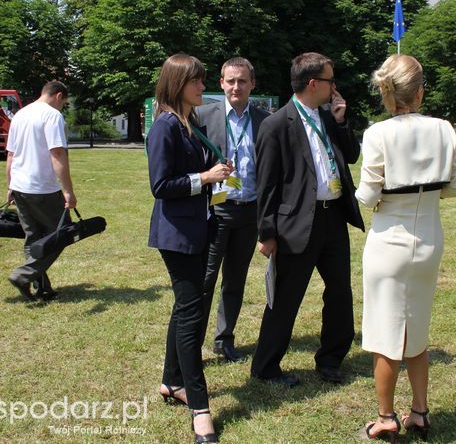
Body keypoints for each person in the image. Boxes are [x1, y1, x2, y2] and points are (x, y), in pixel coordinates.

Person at [356, 55, 456, 441]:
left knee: (385, 334)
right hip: (429, 238)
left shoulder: (377, 134)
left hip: (389, 239)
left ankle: (386, 416)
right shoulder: (443, 129)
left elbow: (368, 197)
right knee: (416, 330)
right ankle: (419, 411)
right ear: (419, 90)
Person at [250, 52, 364, 387]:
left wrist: (342, 122)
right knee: (285, 298)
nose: (335, 87)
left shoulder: (329, 116)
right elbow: (266, 185)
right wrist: (267, 233)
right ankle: (266, 366)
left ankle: (330, 361)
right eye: (330, 80)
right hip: (296, 225)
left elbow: (353, 155)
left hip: (333, 219)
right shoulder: (275, 125)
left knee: (340, 293)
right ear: (313, 83)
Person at [148, 54, 233, 444]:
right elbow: (161, 186)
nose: (203, 87)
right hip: (177, 236)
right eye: (197, 82)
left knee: (186, 307)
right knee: (191, 314)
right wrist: (205, 177)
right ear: (178, 84)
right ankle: (200, 408)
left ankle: (171, 382)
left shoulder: (190, 122)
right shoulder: (165, 126)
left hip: (199, 227)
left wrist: (216, 176)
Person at [197, 57, 269, 363]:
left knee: (235, 279)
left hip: (249, 211)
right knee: (205, 279)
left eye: (242, 81)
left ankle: (224, 340)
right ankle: (192, 344)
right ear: (221, 83)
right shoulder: (202, 114)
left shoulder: (265, 119)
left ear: (252, 84)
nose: (236, 87)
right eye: (230, 81)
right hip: (216, 210)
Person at [6, 80, 76, 302]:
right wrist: (68, 191)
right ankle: (24, 275)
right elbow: (57, 153)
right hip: (42, 188)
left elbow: (10, 155)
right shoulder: (52, 115)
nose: (62, 107)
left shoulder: (20, 115)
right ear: (58, 96)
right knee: (64, 233)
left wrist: (10, 186)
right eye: (63, 103)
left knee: (34, 239)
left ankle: (42, 288)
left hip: (20, 186)